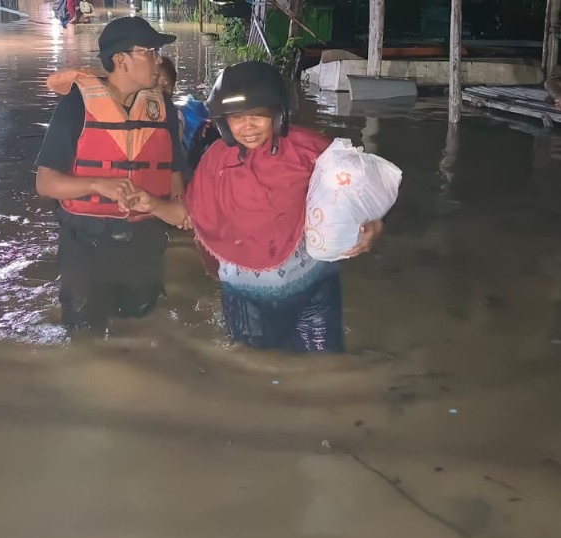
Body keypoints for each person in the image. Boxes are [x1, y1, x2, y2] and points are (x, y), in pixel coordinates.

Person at [132, 61, 381, 353]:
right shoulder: (214, 161)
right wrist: (152, 204)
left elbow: (359, 188)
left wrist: (373, 222)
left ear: (278, 115)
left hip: (315, 284)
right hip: (247, 295)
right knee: (257, 365)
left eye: (258, 116)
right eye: (236, 118)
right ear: (224, 122)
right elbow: (188, 213)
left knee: (327, 364)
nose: (247, 127)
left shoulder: (309, 148)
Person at [35, 17, 185, 328]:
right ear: (121, 60)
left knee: (140, 329)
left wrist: (176, 210)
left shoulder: (164, 110)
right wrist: (98, 184)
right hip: (86, 241)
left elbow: (174, 175)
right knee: (84, 333)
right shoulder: (77, 105)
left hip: (145, 242)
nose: (159, 60)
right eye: (151, 51)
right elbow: (45, 182)